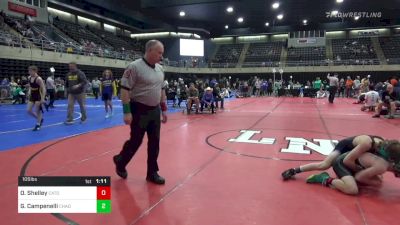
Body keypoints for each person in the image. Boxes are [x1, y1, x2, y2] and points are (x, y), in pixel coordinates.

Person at [113, 40, 168, 185]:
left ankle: (152, 173)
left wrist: (164, 109)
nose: (161, 56)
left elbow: (162, 90)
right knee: (136, 141)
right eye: (159, 52)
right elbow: (124, 90)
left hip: (155, 110)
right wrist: (126, 112)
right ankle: (121, 161)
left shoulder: (160, 69)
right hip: (139, 109)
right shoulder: (134, 67)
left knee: (155, 142)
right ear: (149, 50)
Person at [306, 140, 400, 195]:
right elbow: (359, 177)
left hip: (352, 162)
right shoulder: (382, 166)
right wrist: (372, 182)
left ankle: (350, 178)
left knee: (377, 179)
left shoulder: (384, 157)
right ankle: (324, 178)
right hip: (341, 163)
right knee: (352, 190)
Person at [281, 135, 384, 180]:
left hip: (354, 151)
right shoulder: (367, 144)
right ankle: (294, 170)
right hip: (344, 146)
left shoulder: (382, 145)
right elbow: (348, 161)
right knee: (324, 165)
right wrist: (361, 170)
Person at [27, 66, 46, 131]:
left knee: (37, 110)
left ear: (35, 71)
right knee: (29, 110)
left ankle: (38, 124)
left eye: (30, 71)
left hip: (38, 95)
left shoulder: (39, 79)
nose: (29, 72)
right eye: (29, 71)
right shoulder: (29, 77)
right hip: (32, 95)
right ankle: (40, 119)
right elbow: (30, 86)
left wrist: (43, 98)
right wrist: (29, 92)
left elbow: (43, 88)